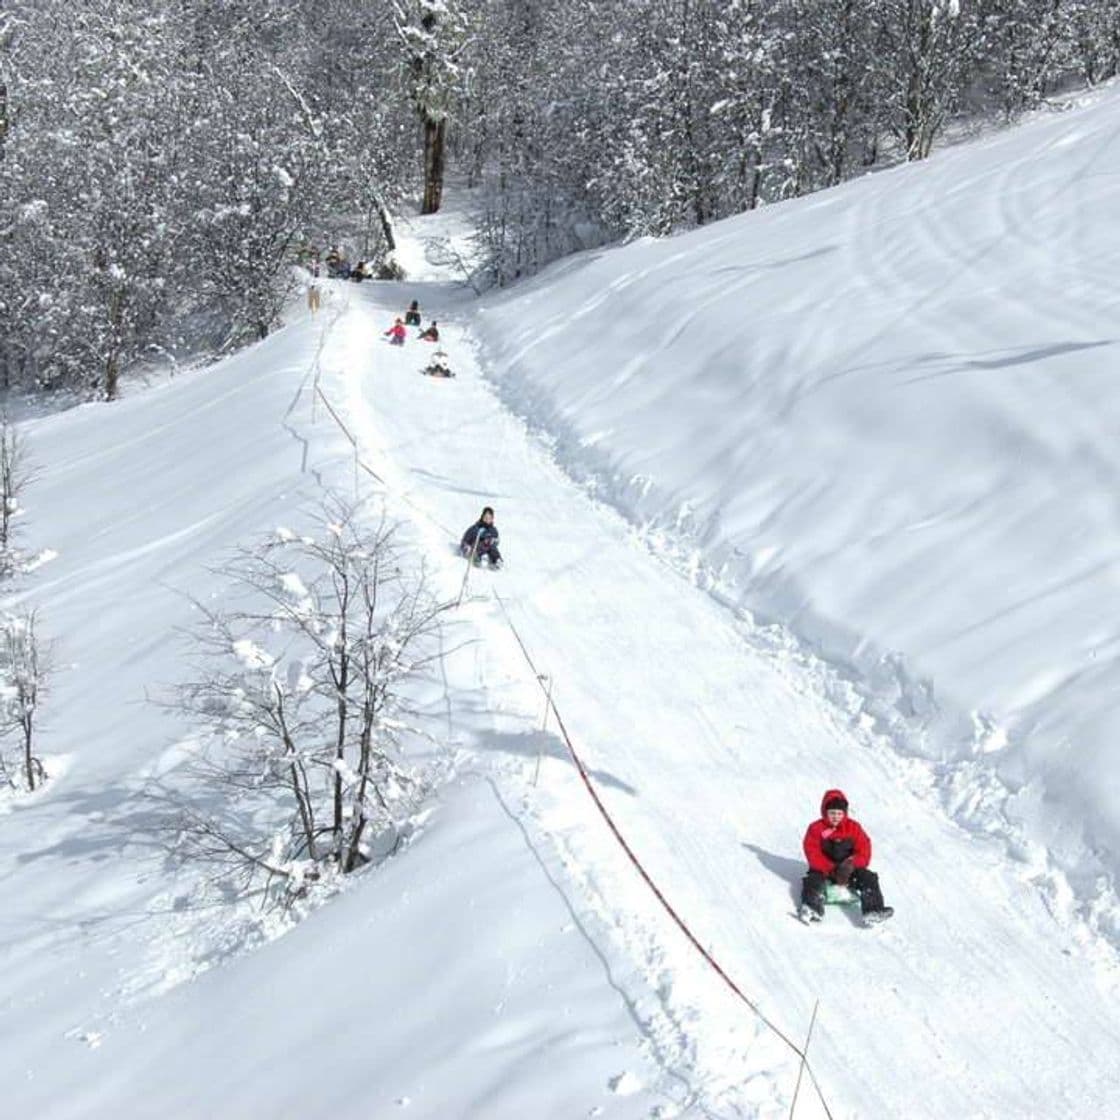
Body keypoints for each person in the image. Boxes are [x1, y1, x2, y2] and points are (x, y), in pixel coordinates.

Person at [799, 789, 893, 926]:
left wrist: (851, 864)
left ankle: (873, 910)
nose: (836, 817)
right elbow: (811, 851)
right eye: (832, 813)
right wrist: (830, 869)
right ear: (825, 812)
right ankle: (812, 908)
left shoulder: (853, 828)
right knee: (813, 881)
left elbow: (864, 849)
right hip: (824, 871)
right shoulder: (816, 828)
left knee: (868, 877)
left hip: (848, 871)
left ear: (845, 813)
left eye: (839, 813)